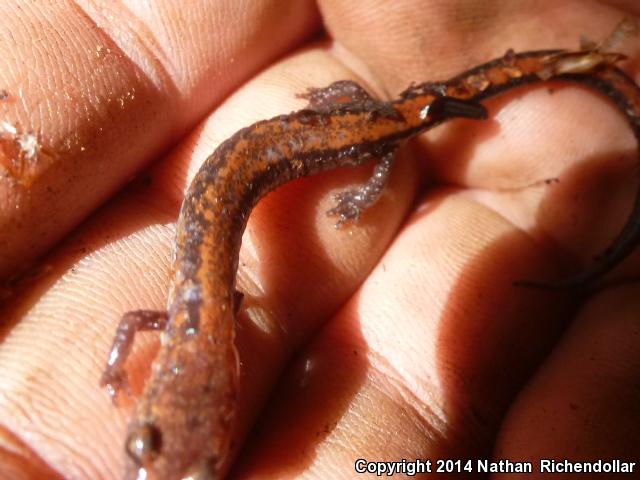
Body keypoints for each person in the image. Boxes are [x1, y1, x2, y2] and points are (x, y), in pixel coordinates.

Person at [0, 1, 638, 478]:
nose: (144, 466)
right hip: (281, 154)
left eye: (147, 446)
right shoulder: (187, 324)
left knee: (385, 132)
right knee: (388, 124)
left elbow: (181, 317)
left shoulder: (206, 326)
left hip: (327, 140)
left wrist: (114, 372)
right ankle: (580, 71)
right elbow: (144, 321)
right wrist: (118, 365)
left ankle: (584, 71)